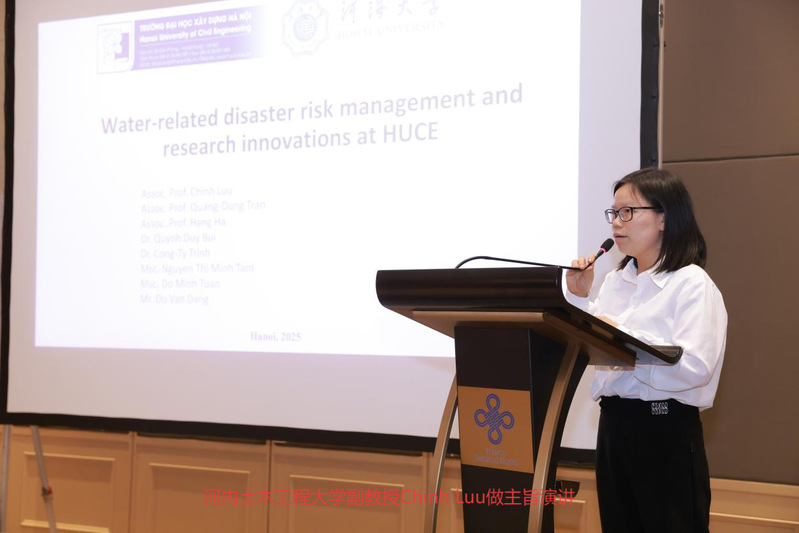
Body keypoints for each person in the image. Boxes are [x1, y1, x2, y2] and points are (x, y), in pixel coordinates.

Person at [564, 167, 727, 533]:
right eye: (613, 212)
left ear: (664, 219)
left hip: (664, 431)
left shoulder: (692, 284)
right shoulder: (614, 282)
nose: (616, 223)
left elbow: (696, 368)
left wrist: (622, 338)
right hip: (614, 428)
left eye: (628, 212)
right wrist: (579, 299)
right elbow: (595, 347)